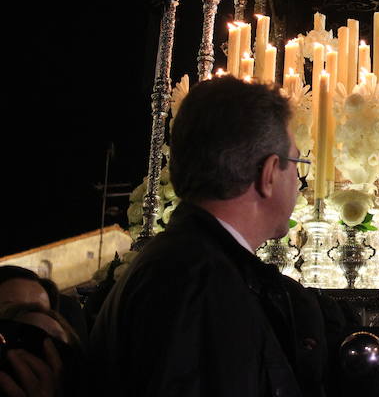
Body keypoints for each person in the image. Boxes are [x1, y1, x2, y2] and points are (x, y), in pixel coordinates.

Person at [89, 76, 327, 397]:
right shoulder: (203, 283)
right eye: (297, 164)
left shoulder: (189, 262)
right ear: (269, 174)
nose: (299, 183)